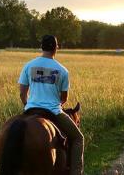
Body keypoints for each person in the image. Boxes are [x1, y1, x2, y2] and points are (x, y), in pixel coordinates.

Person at [18, 35, 84, 175]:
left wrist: (29, 105)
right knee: (78, 138)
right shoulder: (62, 70)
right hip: (53, 111)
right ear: (56, 48)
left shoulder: (29, 65)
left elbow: (22, 94)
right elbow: (64, 98)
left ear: (41, 47)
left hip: (30, 109)